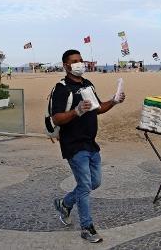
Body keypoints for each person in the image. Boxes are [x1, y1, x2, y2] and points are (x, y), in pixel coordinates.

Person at [52, 49, 125, 243]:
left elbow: (98, 108)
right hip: (74, 145)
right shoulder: (61, 88)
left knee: (95, 182)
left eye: (80, 60)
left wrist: (114, 101)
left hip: (91, 143)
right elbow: (56, 118)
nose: (79, 64)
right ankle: (87, 227)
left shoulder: (87, 84)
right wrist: (76, 111)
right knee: (84, 185)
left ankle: (65, 203)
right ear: (66, 65)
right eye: (74, 61)